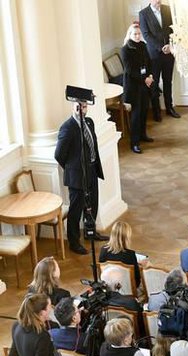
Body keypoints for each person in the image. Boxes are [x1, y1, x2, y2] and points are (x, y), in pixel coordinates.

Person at [55, 101, 106, 255]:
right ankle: (74, 242)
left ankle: (91, 231)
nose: (81, 110)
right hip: (77, 175)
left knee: (93, 202)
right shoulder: (68, 127)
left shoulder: (89, 122)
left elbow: (92, 146)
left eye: (84, 107)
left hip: (91, 169)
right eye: (78, 107)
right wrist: (72, 168)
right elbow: (59, 155)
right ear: (73, 107)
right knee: (76, 209)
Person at [139, 0, 181, 121]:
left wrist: (169, 45)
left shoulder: (168, 10)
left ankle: (169, 108)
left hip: (169, 53)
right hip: (154, 55)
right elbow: (146, 35)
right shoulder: (143, 13)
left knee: (168, 81)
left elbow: (174, 30)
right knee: (154, 83)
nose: (158, 1)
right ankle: (156, 111)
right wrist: (160, 47)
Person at [120, 23, 155, 154]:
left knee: (144, 111)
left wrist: (150, 75)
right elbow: (130, 71)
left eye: (139, 33)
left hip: (145, 84)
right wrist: (145, 79)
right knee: (136, 114)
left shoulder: (143, 45)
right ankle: (134, 142)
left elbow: (149, 62)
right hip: (134, 85)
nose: (137, 36)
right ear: (129, 35)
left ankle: (142, 135)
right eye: (134, 34)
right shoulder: (125, 49)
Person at [99, 221, 146, 290]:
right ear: (127, 237)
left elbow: (102, 272)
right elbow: (137, 282)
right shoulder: (130, 254)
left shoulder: (103, 250)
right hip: (128, 290)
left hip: (110, 288)